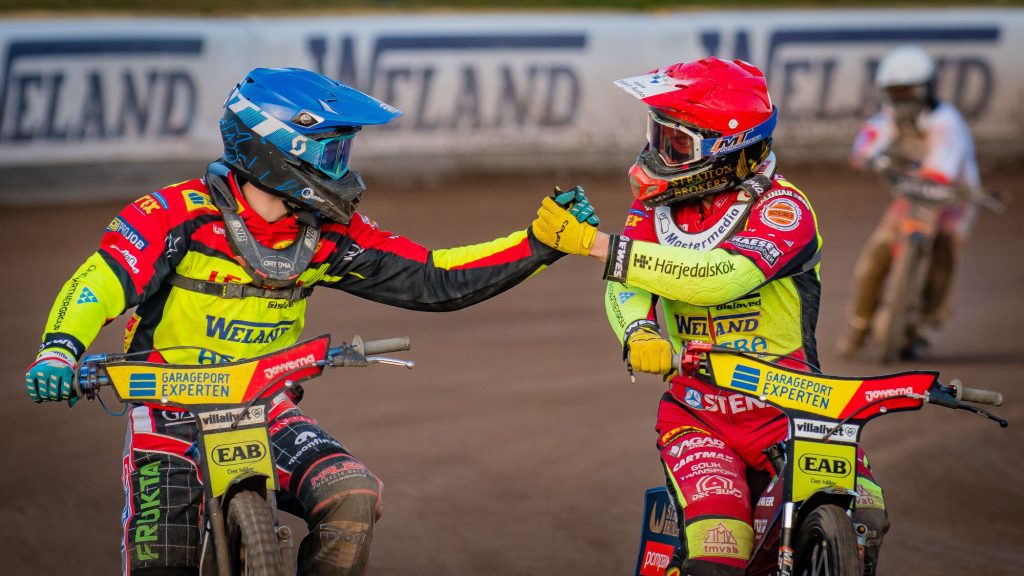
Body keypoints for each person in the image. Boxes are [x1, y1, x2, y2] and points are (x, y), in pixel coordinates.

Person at [23, 67, 597, 576]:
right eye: (330, 153)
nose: (341, 169)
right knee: (162, 564)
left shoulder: (325, 234)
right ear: (275, 149)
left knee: (351, 495)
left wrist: (540, 242)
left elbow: (434, 276)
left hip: (263, 405)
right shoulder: (175, 215)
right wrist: (59, 349)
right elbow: (100, 281)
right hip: (167, 412)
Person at [532, 57, 890, 576]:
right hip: (699, 412)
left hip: (791, 406)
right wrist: (637, 329)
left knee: (866, 518)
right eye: (659, 135)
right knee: (716, 562)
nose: (659, 153)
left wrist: (598, 245)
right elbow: (627, 286)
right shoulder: (654, 212)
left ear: (728, 147)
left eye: (676, 143)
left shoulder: (784, 209)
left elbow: (718, 277)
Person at [839, 44, 983, 359]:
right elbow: (865, 145)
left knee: (946, 247)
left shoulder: (947, 122)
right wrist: (870, 158)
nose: (902, 99)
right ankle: (859, 323)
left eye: (909, 91)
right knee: (878, 250)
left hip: (953, 198)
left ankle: (926, 321)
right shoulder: (889, 117)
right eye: (895, 92)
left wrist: (893, 170)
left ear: (927, 88)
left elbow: (941, 172)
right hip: (914, 191)